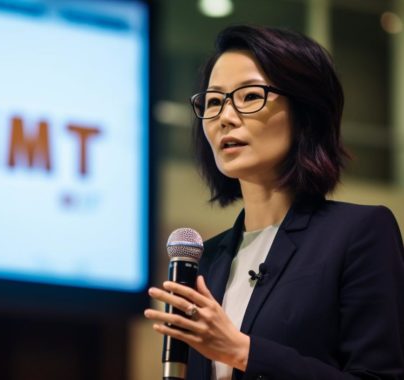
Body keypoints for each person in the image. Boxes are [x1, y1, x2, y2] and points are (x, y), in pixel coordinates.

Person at [144, 25, 404, 380]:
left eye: (250, 96)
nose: (226, 117)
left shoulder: (359, 233)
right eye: (214, 101)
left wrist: (242, 351)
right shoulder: (206, 260)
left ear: (304, 110)